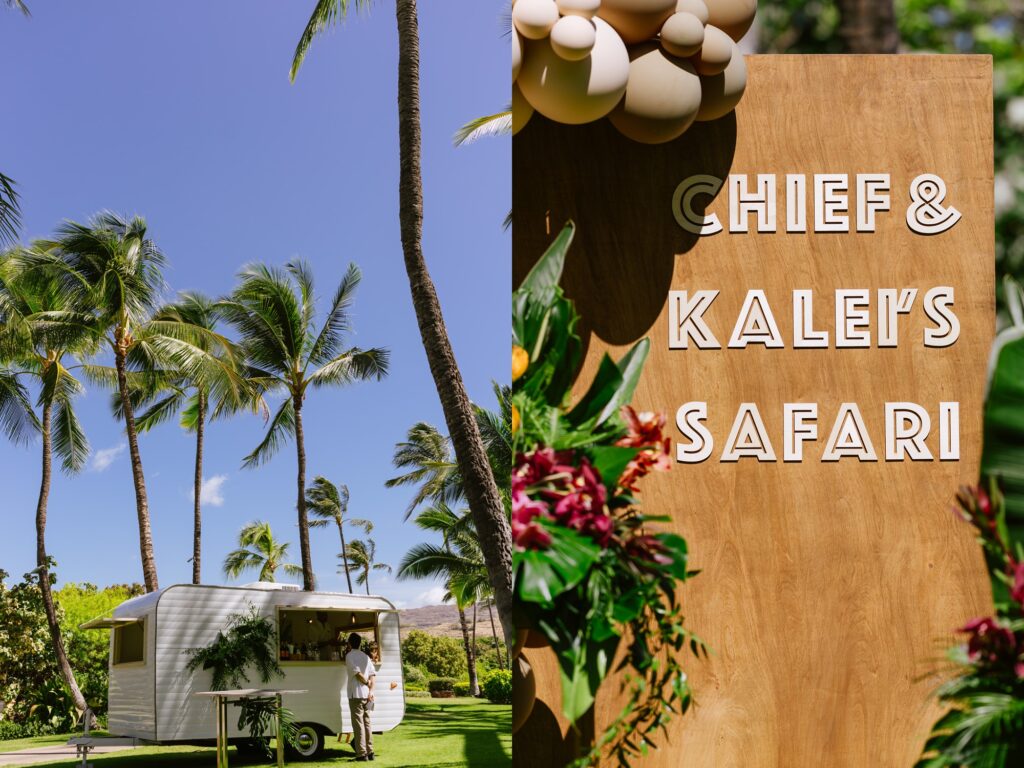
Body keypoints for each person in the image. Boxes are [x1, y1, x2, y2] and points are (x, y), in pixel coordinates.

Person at [344, 633, 376, 762]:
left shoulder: (349, 656)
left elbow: (357, 674)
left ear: (350, 643)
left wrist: (367, 683)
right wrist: (371, 690)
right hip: (367, 694)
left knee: (358, 725)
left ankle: (361, 754)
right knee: (367, 723)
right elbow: (373, 675)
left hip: (355, 693)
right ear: (360, 643)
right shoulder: (366, 656)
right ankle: (370, 751)